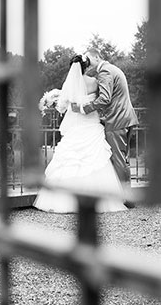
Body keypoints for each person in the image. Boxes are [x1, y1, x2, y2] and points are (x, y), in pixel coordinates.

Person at [33, 54, 127, 213]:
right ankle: (100, 199)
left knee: (70, 161)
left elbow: (62, 107)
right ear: (86, 67)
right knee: (96, 160)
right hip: (91, 124)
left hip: (77, 127)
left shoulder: (69, 85)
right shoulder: (95, 82)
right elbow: (102, 101)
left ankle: (65, 200)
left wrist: (55, 99)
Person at [73, 48, 138, 205]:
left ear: (96, 58)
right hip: (124, 118)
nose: (87, 64)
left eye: (89, 60)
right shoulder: (112, 69)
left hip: (117, 121)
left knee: (119, 159)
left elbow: (105, 99)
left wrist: (83, 109)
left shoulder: (105, 72)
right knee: (122, 158)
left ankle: (127, 199)